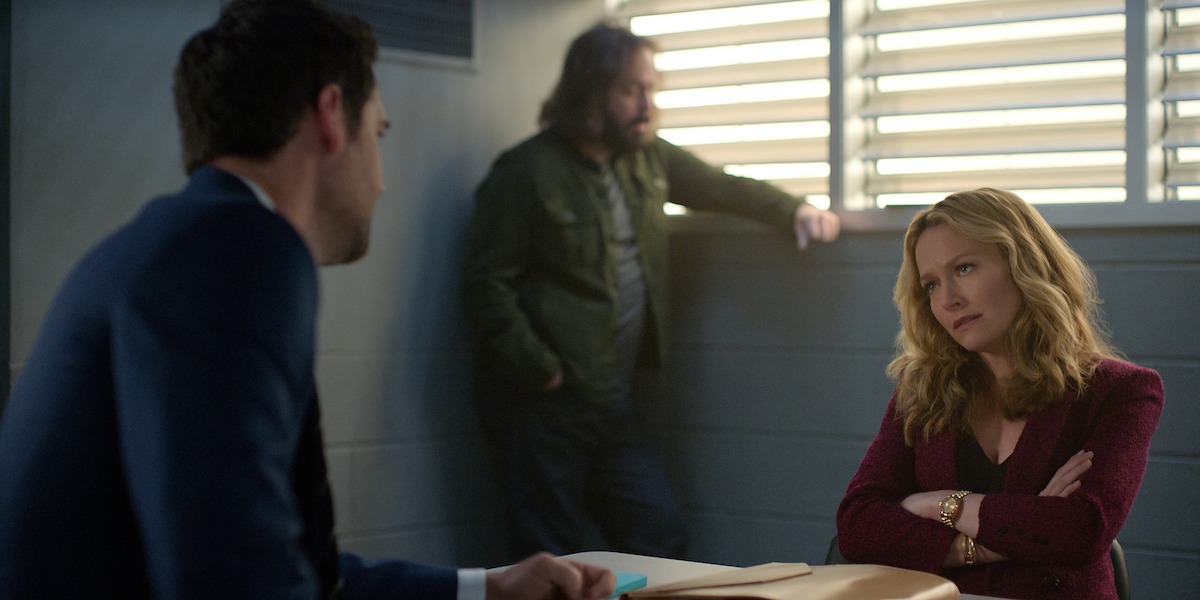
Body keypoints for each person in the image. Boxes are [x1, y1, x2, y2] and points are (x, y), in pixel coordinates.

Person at [0, 2, 614, 599]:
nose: (381, 181)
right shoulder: (239, 251)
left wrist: (491, 588)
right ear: (329, 116)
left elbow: (289, 566)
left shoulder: (182, 241)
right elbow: (236, 578)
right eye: (378, 134)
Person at [460, 22, 841, 560]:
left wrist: (794, 210)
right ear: (589, 91)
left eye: (652, 89)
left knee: (658, 537)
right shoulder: (526, 172)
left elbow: (721, 187)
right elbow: (485, 287)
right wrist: (542, 368)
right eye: (630, 90)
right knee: (547, 557)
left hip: (613, 403)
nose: (647, 104)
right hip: (541, 407)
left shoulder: (649, 157)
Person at [835, 188, 1165, 599]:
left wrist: (941, 504)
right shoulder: (922, 389)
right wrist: (988, 545)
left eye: (966, 268)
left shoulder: (1121, 391)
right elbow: (858, 524)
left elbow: (1080, 529)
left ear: (1024, 264)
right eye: (932, 285)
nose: (949, 299)